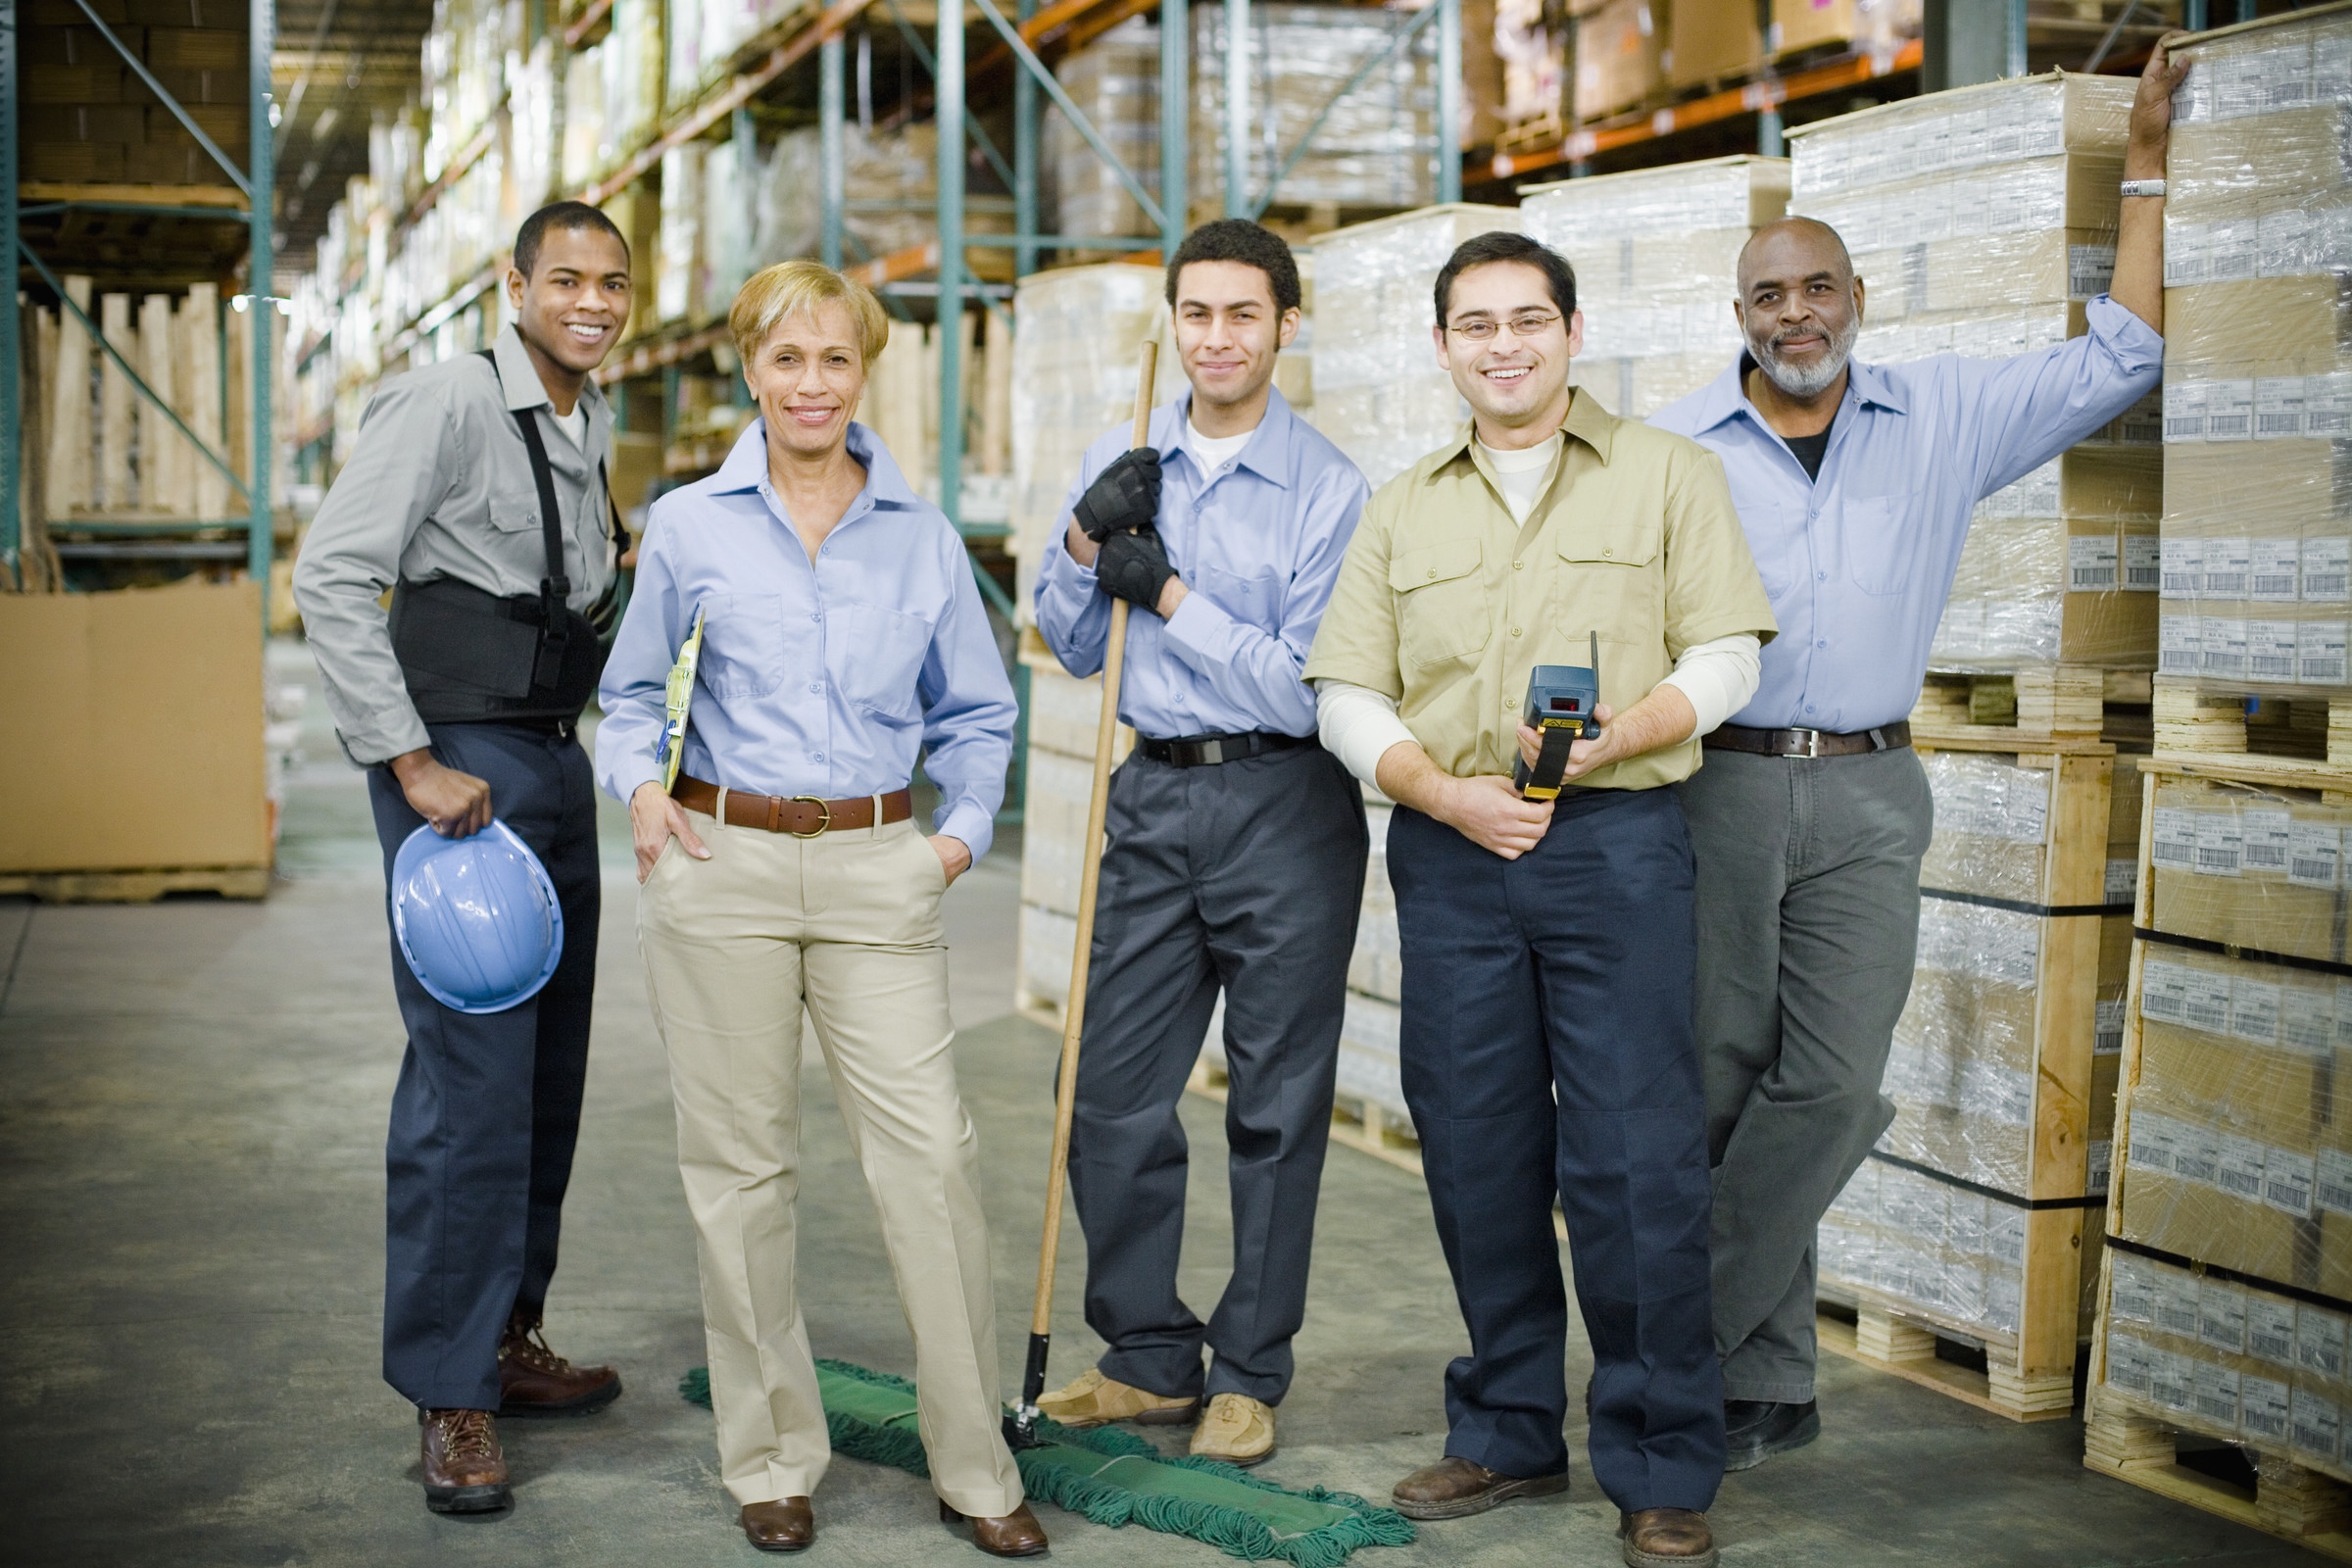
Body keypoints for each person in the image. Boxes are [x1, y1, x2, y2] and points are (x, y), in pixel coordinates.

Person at [1645, 40, 2185, 1472]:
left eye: (1818, 287)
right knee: (1721, 1081)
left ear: (1858, 300)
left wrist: (2143, 165)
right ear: (1739, 317)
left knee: (1831, 1081)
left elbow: (2123, 357)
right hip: (1716, 788)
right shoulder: (1672, 450)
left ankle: (1669, 1339)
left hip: (1874, 789)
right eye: (1770, 295)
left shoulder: (1939, 415)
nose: (1797, 313)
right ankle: (1763, 1383)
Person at [1304, 231, 1777, 1568]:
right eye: (1476, 324)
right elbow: (1346, 692)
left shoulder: (1669, 475)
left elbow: (1728, 652)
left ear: (1573, 333)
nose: (1503, 345)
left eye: (1528, 319)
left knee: (1633, 1156)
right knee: (1475, 1144)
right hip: (1453, 850)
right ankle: (1507, 1427)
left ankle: (1661, 1462)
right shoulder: (1402, 508)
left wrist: (1623, 735)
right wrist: (1440, 793)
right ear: (1444, 347)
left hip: (1614, 843)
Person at [594, 260, 1039, 1558]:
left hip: (876, 864)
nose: (811, 384)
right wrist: (642, 794)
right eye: (786, 358)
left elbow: (980, 711)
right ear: (750, 368)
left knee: (932, 1160)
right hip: (720, 860)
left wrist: (953, 840)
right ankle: (772, 1458)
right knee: (742, 1172)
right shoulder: (689, 524)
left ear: (864, 371)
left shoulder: (921, 535)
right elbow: (630, 693)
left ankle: (976, 1464)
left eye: (835, 358)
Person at [292, 201, 634, 1515]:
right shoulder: (447, 400)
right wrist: (408, 761)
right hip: (460, 773)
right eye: (567, 279)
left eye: (612, 283)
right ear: (515, 284)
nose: (592, 302)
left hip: (551, 756)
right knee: (471, 1083)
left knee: (546, 1076)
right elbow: (333, 576)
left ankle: (506, 1334)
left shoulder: (588, 421)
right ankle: (450, 1392)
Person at [1029, 220, 1371, 1467]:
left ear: (1286, 324)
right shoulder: (1126, 455)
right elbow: (1072, 646)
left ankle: (1250, 1370)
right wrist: (1086, 545)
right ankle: (1147, 1354)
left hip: (1285, 802)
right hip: (1152, 795)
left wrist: (1169, 592)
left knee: (1274, 1105)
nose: (1216, 338)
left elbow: (1302, 686)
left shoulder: (1329, 488)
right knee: (1105, 1089)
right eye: (1196, 313)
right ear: (1171, 322)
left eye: (1243, 314)